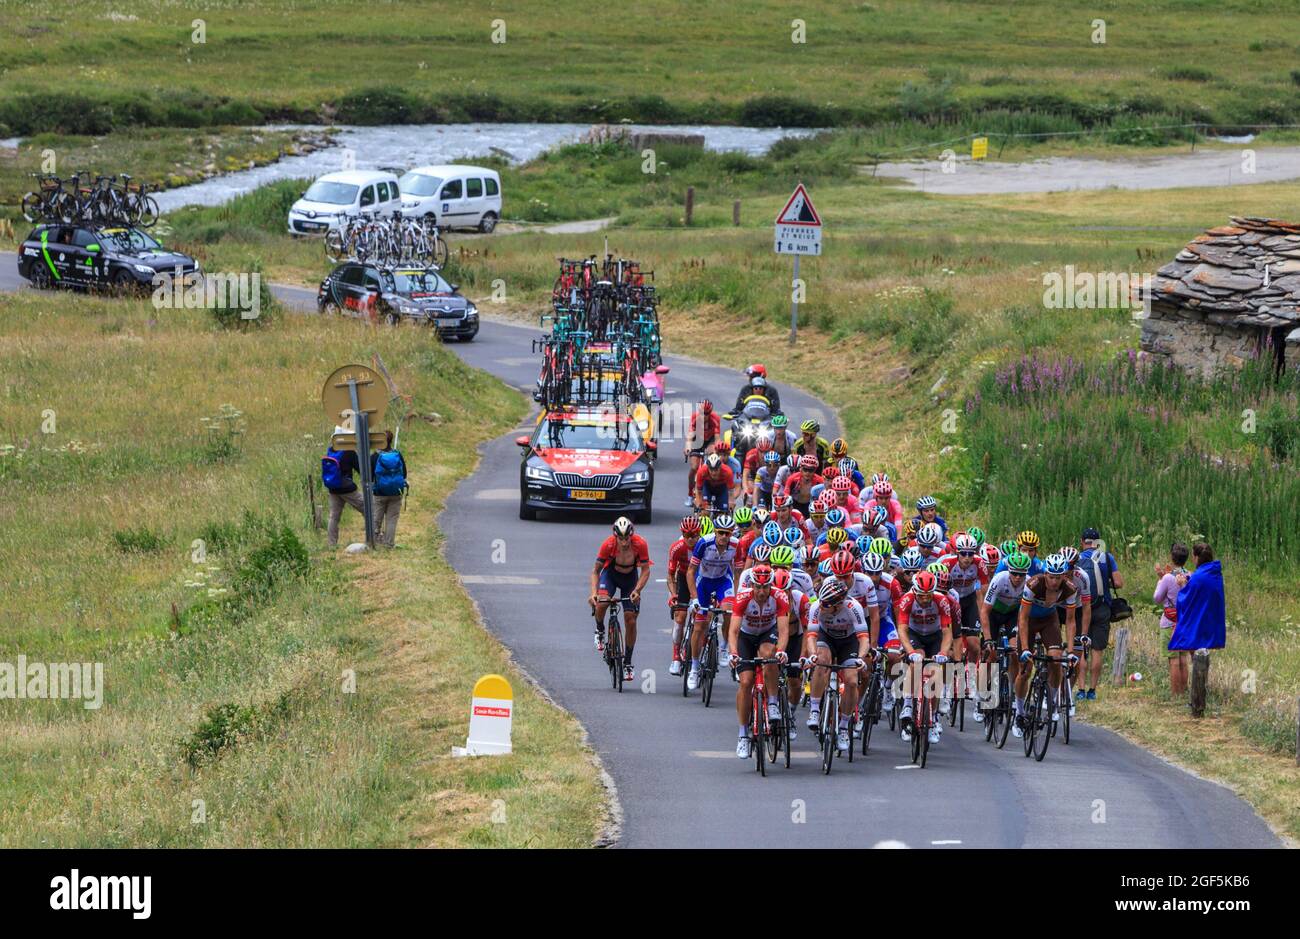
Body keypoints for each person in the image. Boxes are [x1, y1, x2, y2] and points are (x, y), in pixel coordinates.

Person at [727, 564, 791, 758]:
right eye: (758, 587)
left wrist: (781, 651)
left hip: (767, 633)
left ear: (771, 586)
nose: (761, 592)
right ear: (752, 585)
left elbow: (784, 631)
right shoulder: (743, 598)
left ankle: (772, 702)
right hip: (746, 636)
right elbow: (733, 631)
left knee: (769, 654)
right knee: (745, 682)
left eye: (765, 587)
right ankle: (743, 735)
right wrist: (733, 653)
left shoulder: (780, 597)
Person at [590, 517, 653, 683]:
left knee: (630, 620)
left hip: (630, 578)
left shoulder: (640, 544)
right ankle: (600, 630)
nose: (624, 542)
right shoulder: (608, 545)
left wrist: (637, 590)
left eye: (627, 538)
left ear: (631, 535)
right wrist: (594, 593)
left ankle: (628, 663)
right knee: (602, 602)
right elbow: (595, 571)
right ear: (615, 536)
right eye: (621, 538)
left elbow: (646, 571)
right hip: (610, 575)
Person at [1078, 527, 1124, 700]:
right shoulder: (1107, 557)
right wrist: (1104, 583)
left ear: (1082, 541)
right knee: (1097, 650)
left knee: (1082, 648)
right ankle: (1092, 691)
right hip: (1102, 607)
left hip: (1082, 608)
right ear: (1097, 543)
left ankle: (1080, 690)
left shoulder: (1077, 558)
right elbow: (1119, 583)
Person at [1168, 542, 1226, 675]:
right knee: (1201, 651)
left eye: (1193, 556)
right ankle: (1201, 680)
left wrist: (1182, 584)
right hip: (1210, 615)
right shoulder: (1214, 573)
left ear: (1196, 557)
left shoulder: (1199, 576)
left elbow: (1187, 598)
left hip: (1199, 618)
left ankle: (1199, 682)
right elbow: (1199, 586)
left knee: (1196, 650)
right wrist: (1188, 579)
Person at [667, 516, 704, 677]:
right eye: (686, 535)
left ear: (699, 533)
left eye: (694, 535)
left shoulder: (705, 546)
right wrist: (673, 594)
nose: (690, 539)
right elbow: (670, 575)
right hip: (682, 578)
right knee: (680, 617)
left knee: (704, 619)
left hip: (701, 579)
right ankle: (676, 656)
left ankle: (704, 648)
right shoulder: (677, 548)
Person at [1154, 542, 1191, 695]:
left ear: (1172, 557)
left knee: (1173, 660)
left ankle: (1176, 694)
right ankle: (1184, 691)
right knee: (1183, 657)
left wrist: (1160, 580)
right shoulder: (1190, 575)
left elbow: (1157, 598)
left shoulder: (1168, 578)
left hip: (1169, 621)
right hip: (1185, 622)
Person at [322, 426, 364, 548]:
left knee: (334, 517)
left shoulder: (331, 450)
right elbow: (360, 469)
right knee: (368, 509)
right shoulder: (349, 451)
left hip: (333, 488)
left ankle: (331, 544)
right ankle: (375, 536)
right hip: (347, 489)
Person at [370, 430, 408, 547]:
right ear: (390, 441)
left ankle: (374, 543)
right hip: (396, 492)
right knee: (392, 519)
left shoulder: (375, 456)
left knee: (376, 518)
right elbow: (404, 474)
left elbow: (371, 475)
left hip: (379, 492)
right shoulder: (397, 455)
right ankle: (389, 544)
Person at [684, 399, 721, 507]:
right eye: (702, 413)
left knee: (712, 454)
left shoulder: (715, 419)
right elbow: (690, 435)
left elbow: (717, 438)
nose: (704, 416)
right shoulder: (694, 417)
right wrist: (687, 447)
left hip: (709, 440)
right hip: (697, 440)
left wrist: (717, 450)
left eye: (707, 414)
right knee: (694, 466)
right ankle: (690, 494)